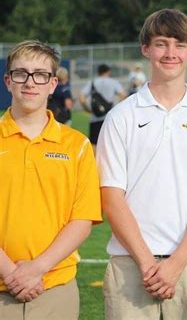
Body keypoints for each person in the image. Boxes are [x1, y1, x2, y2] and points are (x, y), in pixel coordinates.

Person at [96, 9, 187, 319]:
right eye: (161, 43)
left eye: (180, 44)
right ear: (146, 49)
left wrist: (176, 263)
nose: (170, 53)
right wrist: (147, 263)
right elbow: (111, 198)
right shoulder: (120, 117)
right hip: (130, 265)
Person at [0, 40, 102, 319]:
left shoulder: (77, 145)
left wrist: (37, 268)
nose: (30, 82)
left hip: (54, 286)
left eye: (40, 75)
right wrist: (9, 271)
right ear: (8, 81)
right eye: (21, 73)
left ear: (53, 84)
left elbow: (82, 219)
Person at [79, 63, 125, 149]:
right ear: (108, 71)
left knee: (94, 143)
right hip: (110, 117)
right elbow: (123, 95)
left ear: (98, 72)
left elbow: (81, 97)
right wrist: (116, 108)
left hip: (95, 117)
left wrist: (87, 109)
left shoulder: (93, 82)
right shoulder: (113, 82)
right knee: (110, 144)